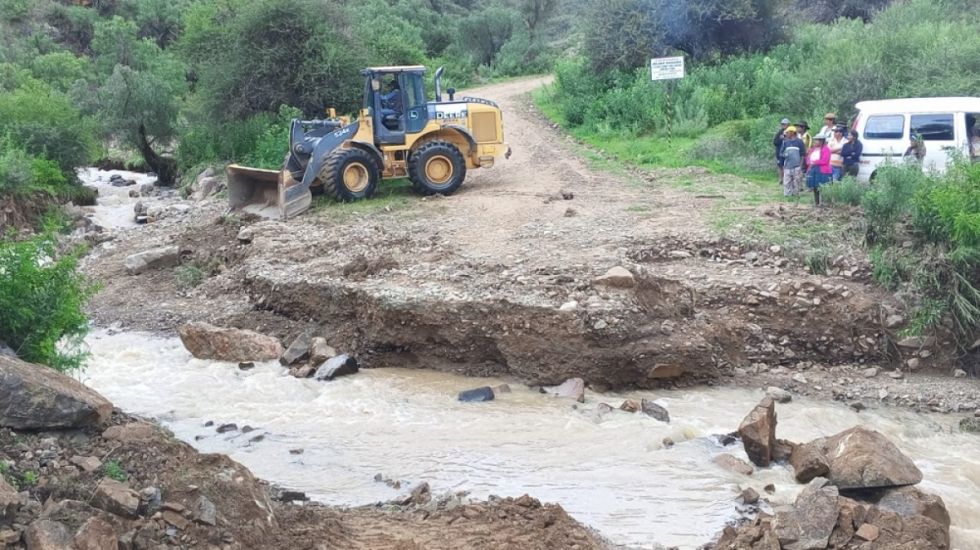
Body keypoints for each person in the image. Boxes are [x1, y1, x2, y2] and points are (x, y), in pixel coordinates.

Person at [806, 133, 832, 206]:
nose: (815, 142)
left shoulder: (826, 149)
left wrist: (814, 162)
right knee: (815, 187)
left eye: (816, 140)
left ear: (821, 141)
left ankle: (824, 203)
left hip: (822, 171)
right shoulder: (813, 149)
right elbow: (808, 158)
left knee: (823, 187)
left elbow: (824, 161)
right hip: (813, 170)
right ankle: (816, 203)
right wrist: (809, 162)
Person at [779, 126, 806, 197]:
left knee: (796, 181)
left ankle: (795, 194)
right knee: (787, 181)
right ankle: (787, 194)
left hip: (797, 166)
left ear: (792, 133)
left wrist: (800, 165)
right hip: (787, 165)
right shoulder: (785, 142)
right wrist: (784, 155)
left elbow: (803, 155)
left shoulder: (799, 142)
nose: (786, 134)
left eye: (787, 132)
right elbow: (781, 153)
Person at [774, 118, 791, 184]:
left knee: (786, 166)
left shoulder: (791, 132)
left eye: (784, 124)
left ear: (788, 125)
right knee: (780, 165)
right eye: (782, 124)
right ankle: (781, 179)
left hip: (788, 152)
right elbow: (775, 142)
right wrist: (781, 139)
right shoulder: (779, 132)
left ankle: (786, 179)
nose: (783, 125)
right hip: (780, 151)